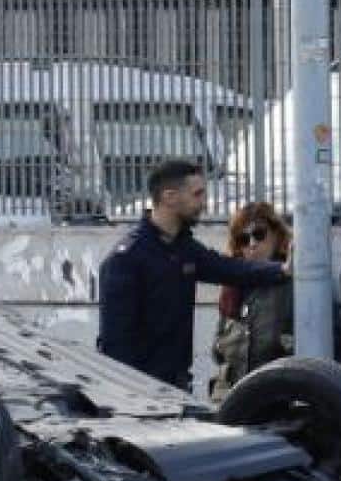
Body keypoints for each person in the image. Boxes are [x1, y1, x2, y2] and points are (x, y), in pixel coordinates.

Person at [96, 159, 287, 395]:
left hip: (175, 387)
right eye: (197, 194)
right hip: (138, 393)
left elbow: (229, 269)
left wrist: (282, 270)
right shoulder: (126, 259)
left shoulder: (183, 248)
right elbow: (115, 348)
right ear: (169, 197)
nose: (204, 203)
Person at [212, 200, 295, 401]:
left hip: (279, 394)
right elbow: (217, 350)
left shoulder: (295, 283)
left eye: (259, 234)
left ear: (276, 235)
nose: (252, 244)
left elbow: (332, 339)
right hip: (233, 395)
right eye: (243, 239)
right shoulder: (232, 286)